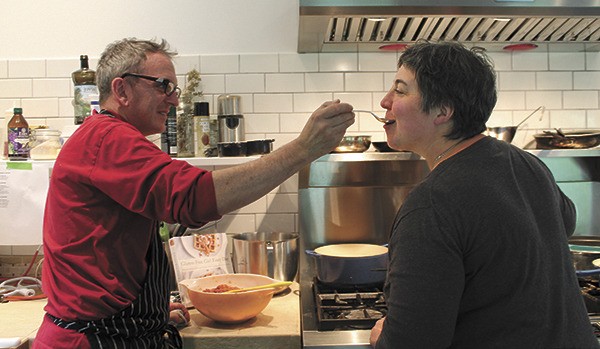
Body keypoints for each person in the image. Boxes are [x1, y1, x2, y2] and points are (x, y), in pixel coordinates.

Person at [33, 38, 354, 349]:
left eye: (174, 88)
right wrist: (302, 149)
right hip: (91, 341)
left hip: (113, 330)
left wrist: (151, 313)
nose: (173, 99)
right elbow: (192, 198)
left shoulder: (105, 136)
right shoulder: (108, 138)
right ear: (121, 89)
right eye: (162, 85)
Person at [369, 41, 599, 348]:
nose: (385, 101)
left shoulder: (433, 204)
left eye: (400, 90)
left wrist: (379, 337)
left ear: (443, 111)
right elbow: (565, 220)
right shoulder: (525, 162)